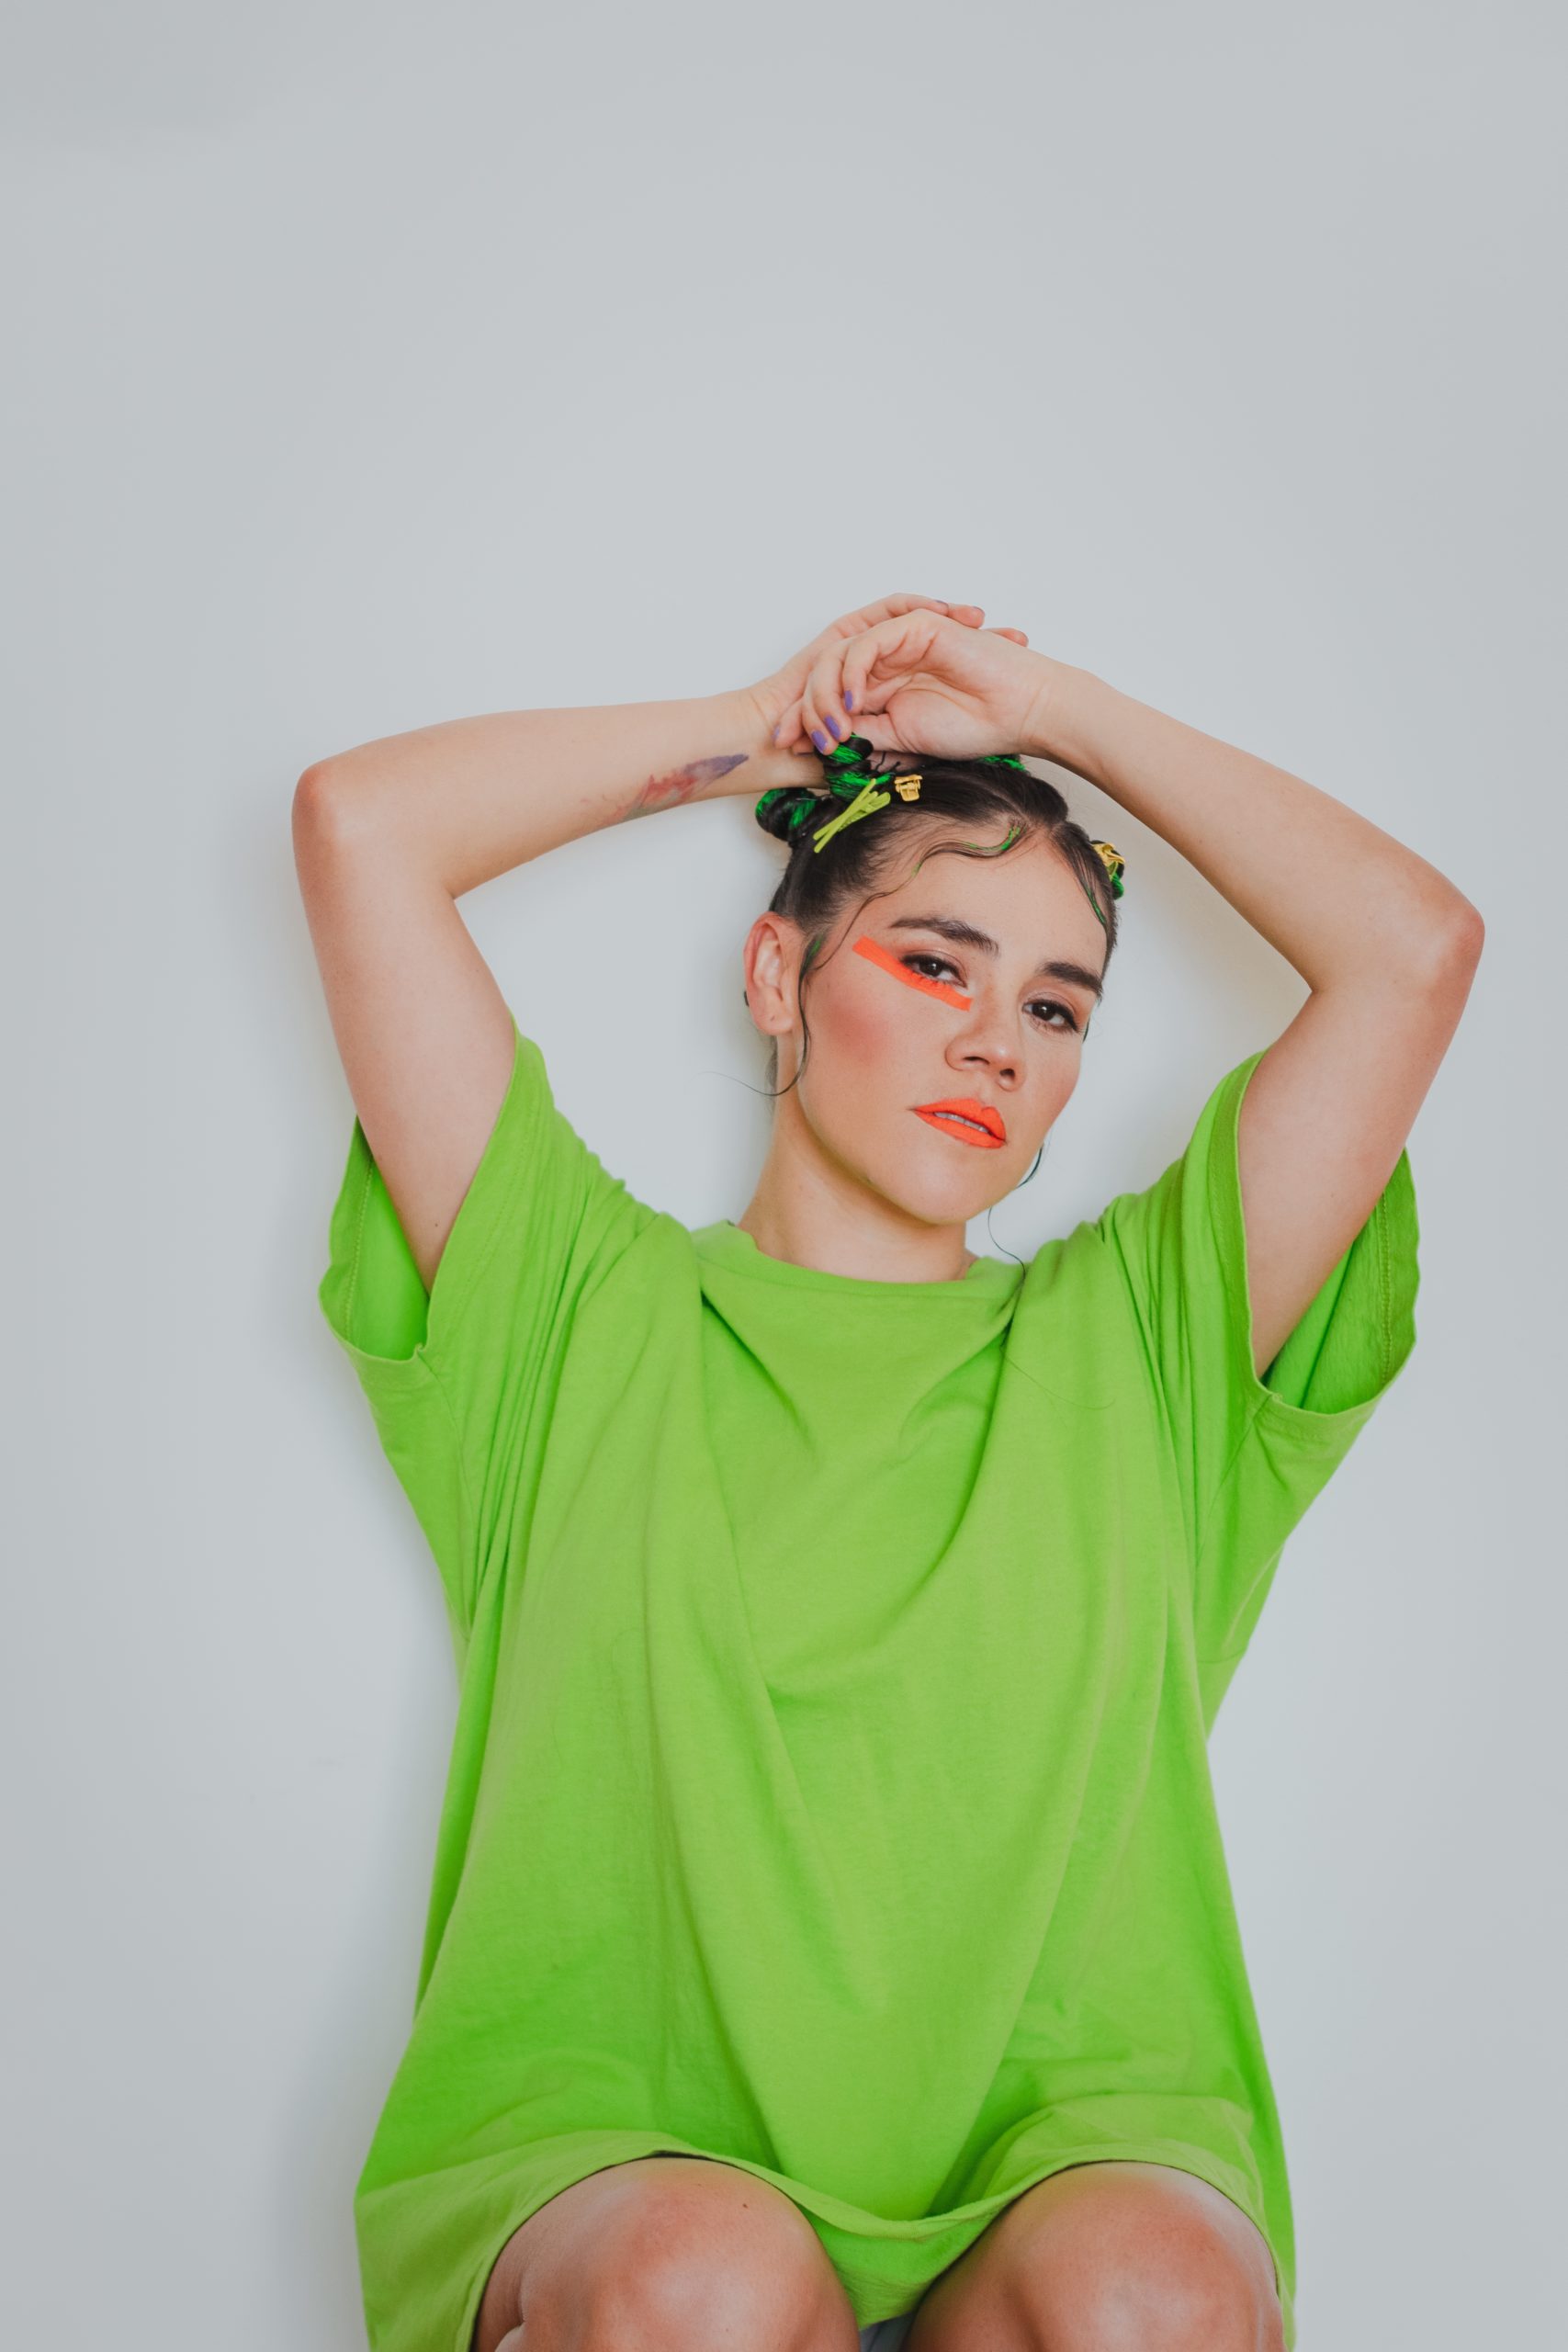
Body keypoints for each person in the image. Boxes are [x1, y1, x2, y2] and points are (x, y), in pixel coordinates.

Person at [293, 594, 1482, 2352]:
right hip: (619, 2142)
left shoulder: (1148, 1340)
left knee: (1156, 2294)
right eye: (937, 962)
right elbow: (360, 831)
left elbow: (1414, 952)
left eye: (1057, 1004)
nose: (999, 1040)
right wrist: (780, 728)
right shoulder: (569, 1301)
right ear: (780, 976)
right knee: (704, 2280)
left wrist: (1056, 711)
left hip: (1063, 2145)